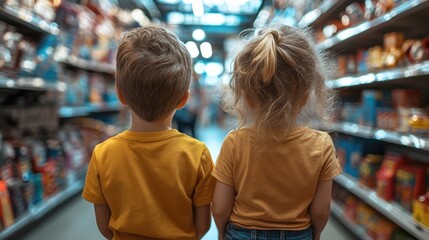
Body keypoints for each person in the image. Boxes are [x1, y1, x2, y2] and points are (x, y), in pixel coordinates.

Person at [82, 26, 215, 240]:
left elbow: (105, 226)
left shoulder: (102, 154)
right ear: (183, 99)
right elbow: (202, 226)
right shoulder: (198, 154)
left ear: (120, 95)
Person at [212, 25, 342, 240]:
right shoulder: (321, 144)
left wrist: (221, 233)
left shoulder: (234, 142)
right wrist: (316, 234)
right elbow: (320, 211)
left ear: (247, 95)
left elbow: (219, 207)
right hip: (298, 235)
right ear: (305, 94)